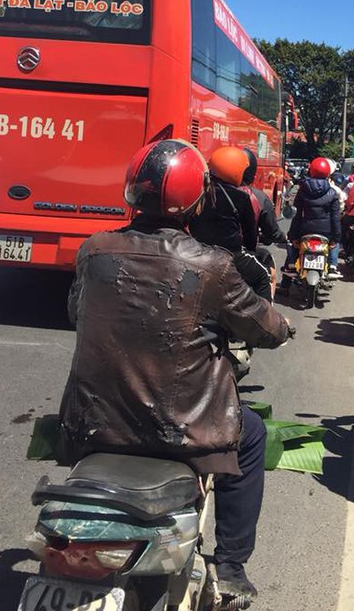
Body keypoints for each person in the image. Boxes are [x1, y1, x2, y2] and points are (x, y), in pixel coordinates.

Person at [59, 139, 290, 605]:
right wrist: (281, 325)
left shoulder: (94, 251)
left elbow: (76, 313)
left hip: (92, 421)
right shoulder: (211, 265)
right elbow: (264, 326)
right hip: (185, 427)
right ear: (196, 199)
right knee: (251, 434)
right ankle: (229, 567)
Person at [190, 145, 272, 301]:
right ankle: (269, 322)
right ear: (237, 171)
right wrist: (250, 249)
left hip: (197, 251)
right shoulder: (241, 197)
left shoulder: (199, 191)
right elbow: (250, 238)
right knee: (263, 276)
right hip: (231, 256)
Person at [282, 156, 342, 281]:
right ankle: (332, 266)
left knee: (292, 244)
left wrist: (293, 236)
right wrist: (335, 238)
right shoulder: (332, 193)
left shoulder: (302, 191)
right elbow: (335, 218)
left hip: (304, 229)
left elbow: (297, 215)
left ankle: (291, 269)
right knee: (335, 245)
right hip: (326, 231)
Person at [240, 147, 288, 297]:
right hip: (239, 254)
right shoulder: (258, 197)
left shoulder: (208, 192)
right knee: (265, 274)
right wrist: (282, 238)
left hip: (204, 253)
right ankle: (268, 317)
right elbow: (272, 231)